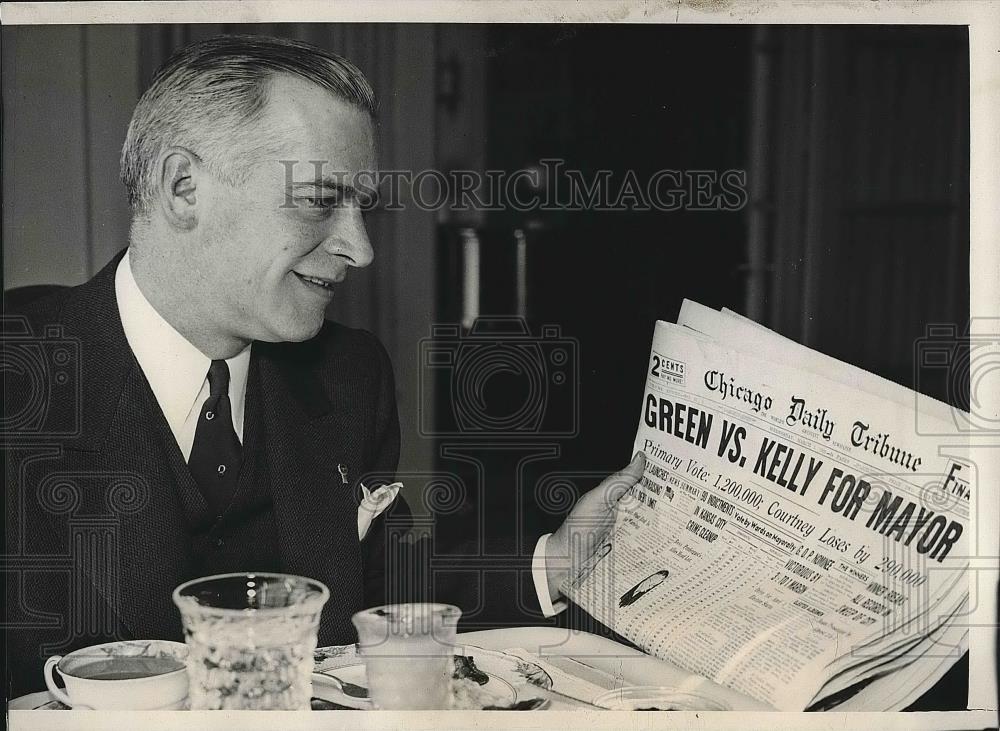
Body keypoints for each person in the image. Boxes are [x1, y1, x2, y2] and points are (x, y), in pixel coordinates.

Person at [2, 34, 644, 697]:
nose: (360, 248)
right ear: (184, 187)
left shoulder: (348, 376)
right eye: (318, 199)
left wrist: (555, 562)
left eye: (362, 205)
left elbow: (386, 585)